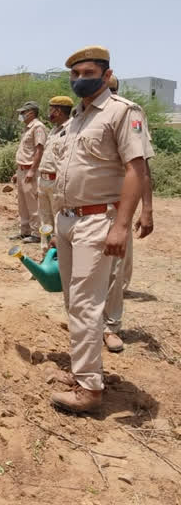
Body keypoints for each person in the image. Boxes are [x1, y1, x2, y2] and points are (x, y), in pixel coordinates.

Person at [48, 46, 149, 413]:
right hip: (69, 220)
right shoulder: (76, 119)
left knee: (88, 303)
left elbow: (135, 170)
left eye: (87, 73)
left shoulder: (122, 113)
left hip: (98, 220)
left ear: (106, 76)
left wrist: (121, 226)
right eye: (74, 75)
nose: (79, 80)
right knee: (74, 301)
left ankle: (90, 390)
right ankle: (82, 371)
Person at [101, 74, 155, 352]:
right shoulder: (83, 116)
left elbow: (141, 166)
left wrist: (146, 208)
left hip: (116, 206)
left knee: (115, 270)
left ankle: (110, 326)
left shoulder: (129, 113)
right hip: (85, 208)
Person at [10, 101, 47, 243]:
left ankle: (37, 234)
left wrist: (32, 170)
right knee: (23, 203)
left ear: (31, 113)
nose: (21, 115)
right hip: (22, 170)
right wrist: (17, 171)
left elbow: (39, 150)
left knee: (33, 203)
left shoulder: (38, 127)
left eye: (23, 113)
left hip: (30, 170)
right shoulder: (28, 128)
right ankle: (25, 231)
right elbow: (26, 151)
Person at [37, 96, 74, 230]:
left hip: (56, 182)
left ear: (58, 111)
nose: (49, 113)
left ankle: (60, 249)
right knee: (45, 221)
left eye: (51, 110)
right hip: (43, 181)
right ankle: (46, 249)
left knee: (59, 219)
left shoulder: (72, 129)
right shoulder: (53, 130)